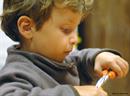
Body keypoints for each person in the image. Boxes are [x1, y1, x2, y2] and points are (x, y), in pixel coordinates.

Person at [0, 0, 129, 96]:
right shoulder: (16, 73)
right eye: (66, 30)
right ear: (27, 27)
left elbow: (78, 60)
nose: (74, 39)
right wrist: (72, 93)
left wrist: (97, 58)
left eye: (75, 29)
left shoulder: (57, 58)